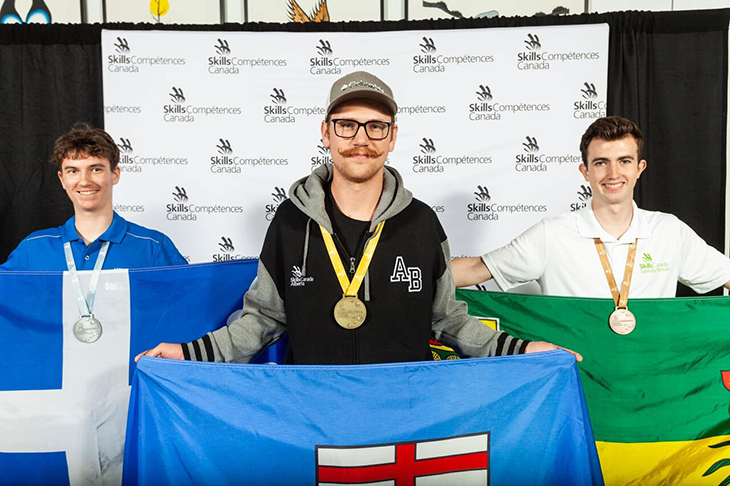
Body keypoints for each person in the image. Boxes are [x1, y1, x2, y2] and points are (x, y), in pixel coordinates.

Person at [138, 71, 579, 365]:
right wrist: (190, 354)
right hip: (315, 408)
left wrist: (523, 350)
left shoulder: (422, 223)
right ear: (326, 132)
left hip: (404, 408)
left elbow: (448, 321)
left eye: (375, 126)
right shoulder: (291, 221)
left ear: (392, 137)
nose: (361, 139)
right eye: (347, 125)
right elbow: (263, 320)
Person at [451, 116, 730, 298]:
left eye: (624, 161)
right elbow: (477, 268)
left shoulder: (669, 231)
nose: (613, 174)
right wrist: (413, 274)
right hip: (578, 377)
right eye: (600, 163)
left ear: (639, 168)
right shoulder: (552, 234)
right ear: (585, 171)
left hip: (650, 379)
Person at [0, 124, 187, 271]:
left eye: (96, 169)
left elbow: (190, 304)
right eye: (73, 171)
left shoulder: (152, 247)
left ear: (115, 174)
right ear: (62, 179)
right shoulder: (33, 249)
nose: (84, 181)